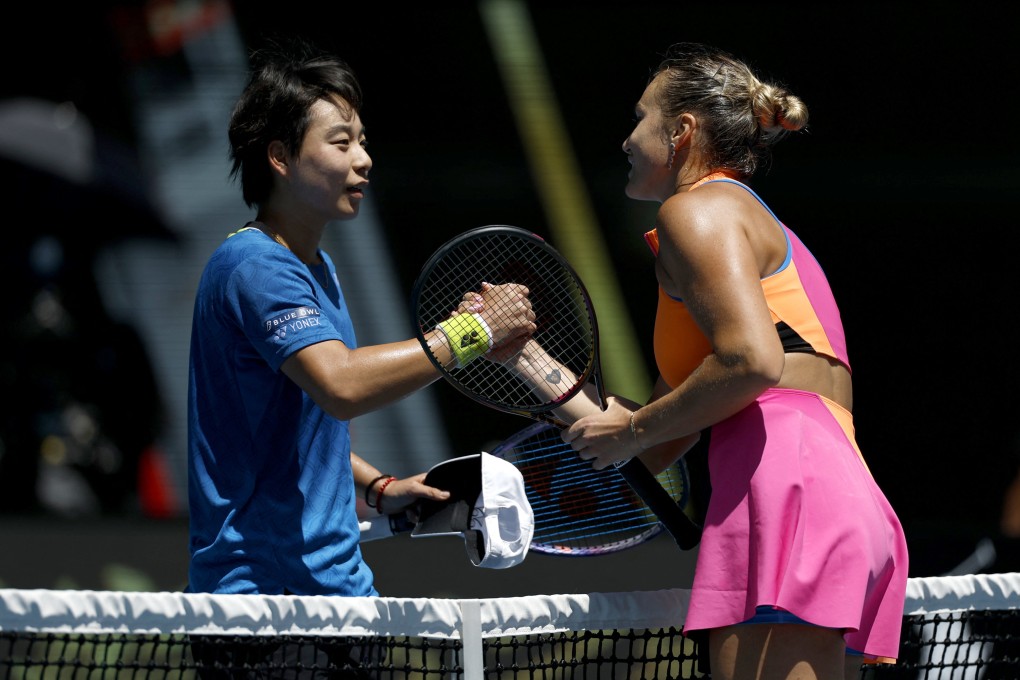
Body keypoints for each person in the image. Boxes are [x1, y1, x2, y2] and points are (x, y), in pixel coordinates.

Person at [508, 43, 909, 679]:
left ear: (682, 131)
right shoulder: (736, 229)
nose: (626, 138)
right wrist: (522, 355)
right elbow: (655, 443)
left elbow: (751, 362)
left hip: (785, 485)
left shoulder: (699, 209)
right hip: (826, 486)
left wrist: (636, 429)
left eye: (640, 117)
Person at [186, 35, 535, 604]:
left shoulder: (316, 267)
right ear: (280, 157)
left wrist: (377, 486)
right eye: (341, 142)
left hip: (339, 593)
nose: (364, 159)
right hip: (263, 606)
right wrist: (474, 333)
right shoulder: (253, 265)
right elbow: (341, 385)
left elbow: (291, 424)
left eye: (363, 141)